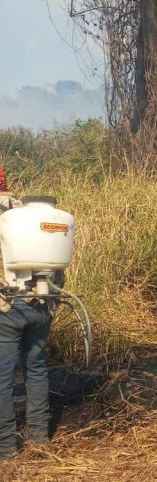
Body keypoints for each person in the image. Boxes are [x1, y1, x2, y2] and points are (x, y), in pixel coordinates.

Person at [0, 173, 54, 460]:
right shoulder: (34, 213)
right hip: (43, 304)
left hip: (6, 307)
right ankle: (39, 437)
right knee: (36, 369)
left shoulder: (7, 220)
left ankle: (6, 449)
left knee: (2, 378)